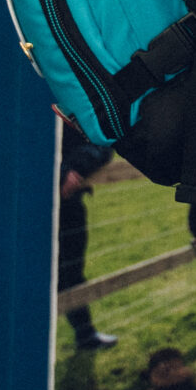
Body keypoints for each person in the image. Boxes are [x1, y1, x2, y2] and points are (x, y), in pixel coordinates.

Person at [58, 122, 120, 352]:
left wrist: (75, 168)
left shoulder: (68, 104)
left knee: (71, 271)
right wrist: (57, 170)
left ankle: (85, 335)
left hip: (68, 205)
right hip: (23, 203)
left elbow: (103, 142)